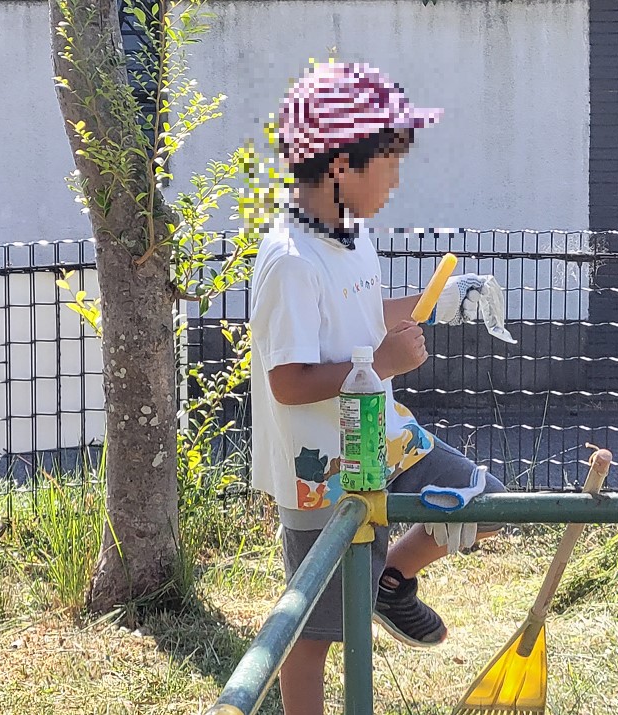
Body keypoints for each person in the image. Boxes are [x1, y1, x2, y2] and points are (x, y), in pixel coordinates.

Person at [249, 61, 508, 715]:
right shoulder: (289, 261)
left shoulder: (352, 238)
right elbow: (286, 381)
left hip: (384, 438)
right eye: (388, 163)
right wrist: (380, 366)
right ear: (340, 165)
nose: (396, 179)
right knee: (316, 631)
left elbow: (362, 315)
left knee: (488, 505)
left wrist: (439, 300)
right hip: (324, 470)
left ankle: (393, 578)